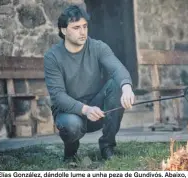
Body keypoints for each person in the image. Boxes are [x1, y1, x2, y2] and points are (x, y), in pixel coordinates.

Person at [43, 5, 135, 162]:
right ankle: (71, 153)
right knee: (72, 125)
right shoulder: (52, 57)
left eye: (85, 26)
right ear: (64, 30)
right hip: (69, 113)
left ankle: (107, 146)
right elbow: (58, 96)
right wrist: (85, 110)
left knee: (117, 86)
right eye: (76, 27)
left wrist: (127, 88)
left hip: (96, 109)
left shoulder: (98, 47)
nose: (82, 32)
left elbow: (117, 69)